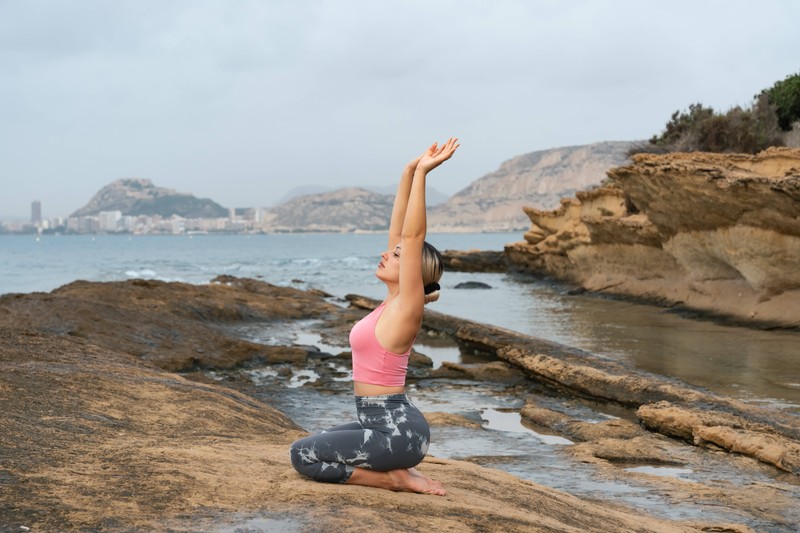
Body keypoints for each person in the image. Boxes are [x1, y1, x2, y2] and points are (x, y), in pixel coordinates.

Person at [289, 138, 460, 496]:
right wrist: (408, 171)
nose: (386, 254)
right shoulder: (391, 301)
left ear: (412, 271)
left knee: (302, 455)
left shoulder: (407, 307)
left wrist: (425, 175)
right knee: (315, 441)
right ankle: (398, 471)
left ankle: (393, 479)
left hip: (398, 432)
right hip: (386, 424)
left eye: (396, 256)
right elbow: (401, 232)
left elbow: (412, 236)